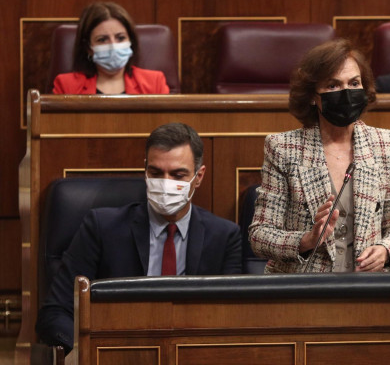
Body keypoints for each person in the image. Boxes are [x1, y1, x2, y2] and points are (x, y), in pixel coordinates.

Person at [36, 123, 241, 354]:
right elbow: (55, 312)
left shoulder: (224, 236)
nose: (165, 183)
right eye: (156, 173)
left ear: (199, 176)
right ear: (145, 171)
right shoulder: (101, 227)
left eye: (178, 174)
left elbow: (230, 321)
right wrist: (87, 350)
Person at [249, 39, 390, 273]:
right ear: (311, 96)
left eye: (354, 83)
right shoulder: (283, 148)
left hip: (365, 291)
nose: (346, 93)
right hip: (300, 292)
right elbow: (260, 235)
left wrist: (386, 250)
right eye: (333, 86)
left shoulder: (385, 145)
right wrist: (307, 240)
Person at [52, 1, 170, 95]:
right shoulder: (66, 86)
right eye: (102, 40)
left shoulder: (154, 83)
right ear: (88, 47)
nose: (113, 45)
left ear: (131, 41)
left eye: (120, 38)